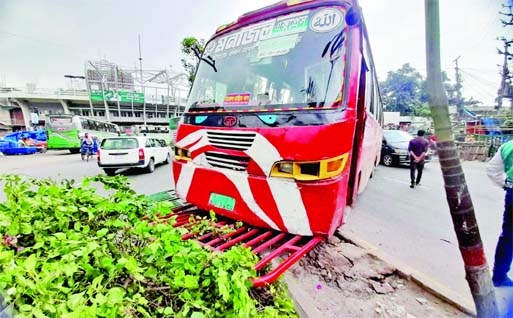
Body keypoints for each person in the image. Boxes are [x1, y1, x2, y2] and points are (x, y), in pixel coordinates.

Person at [486, 140, 513, 287]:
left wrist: (506, 185)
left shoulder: (508, 146)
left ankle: (499, 275)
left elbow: (492, 171)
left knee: (508, 236)